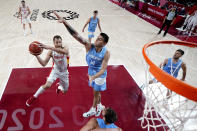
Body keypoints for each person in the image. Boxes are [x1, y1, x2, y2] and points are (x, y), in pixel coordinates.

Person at [54, 11, 110, 117]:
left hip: (100, 75)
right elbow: (76, 35)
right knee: (97, 92)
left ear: (104, 43)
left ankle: (93, 109)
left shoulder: (106, 52)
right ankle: (100, 105)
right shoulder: (89, 46)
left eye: (100, 39)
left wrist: (93, 77)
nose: (97, 40)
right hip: (92, 72)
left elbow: (103, 69)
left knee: (95, 93)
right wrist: (65, 22)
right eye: (98, 38)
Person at [26, 35, 69, 106]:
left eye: (59, 42)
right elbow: (44, 63)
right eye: (56, 42)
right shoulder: (51, 52)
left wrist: (48, 47)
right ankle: (34, 97)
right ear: (53, 43)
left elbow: (65, 52)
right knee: (47, 85)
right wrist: (36, 55)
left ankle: (59, 86)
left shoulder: (65, 47)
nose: (58, 44)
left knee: (65, 91)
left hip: (64, 72)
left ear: (62, 42)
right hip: (55, 70)